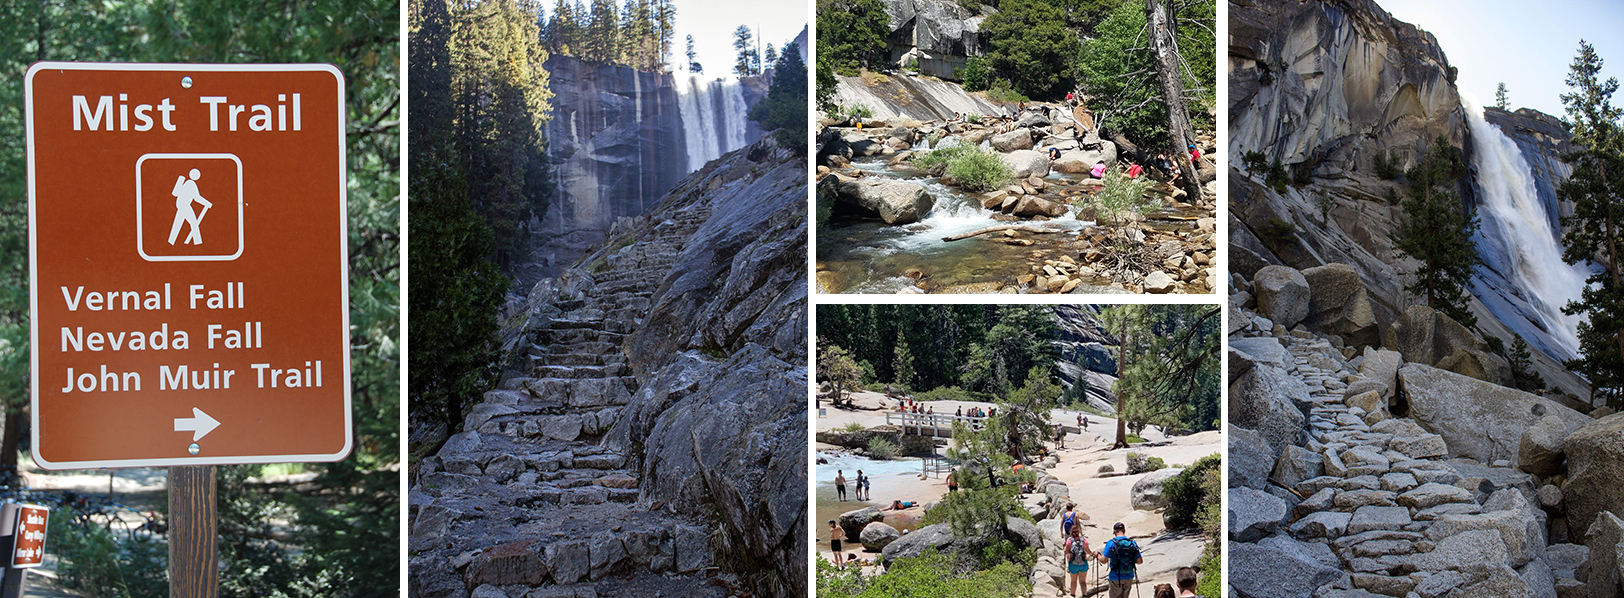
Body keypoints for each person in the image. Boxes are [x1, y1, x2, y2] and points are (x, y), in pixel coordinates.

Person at [1099, 522, 1142, 598]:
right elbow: (1140, 561)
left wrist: (1097, 556)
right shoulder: (1132, 543)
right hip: (1129, 576)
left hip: (1115, 576)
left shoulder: (1111, 543)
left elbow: (1104, 560)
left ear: (1115, 532)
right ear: (1124, 530)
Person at [1065, 524, 1093, 598]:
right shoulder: (1084, 540)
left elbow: (1066, 552)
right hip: (1083, 563)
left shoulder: (1069, 540)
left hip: (1073, 564)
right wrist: (1094, 554)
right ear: (1079, 531)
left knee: (1073, 581)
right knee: (1083, 581)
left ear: (1071, 531)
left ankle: (1073, 595)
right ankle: (1084, 595)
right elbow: (1088, 551)